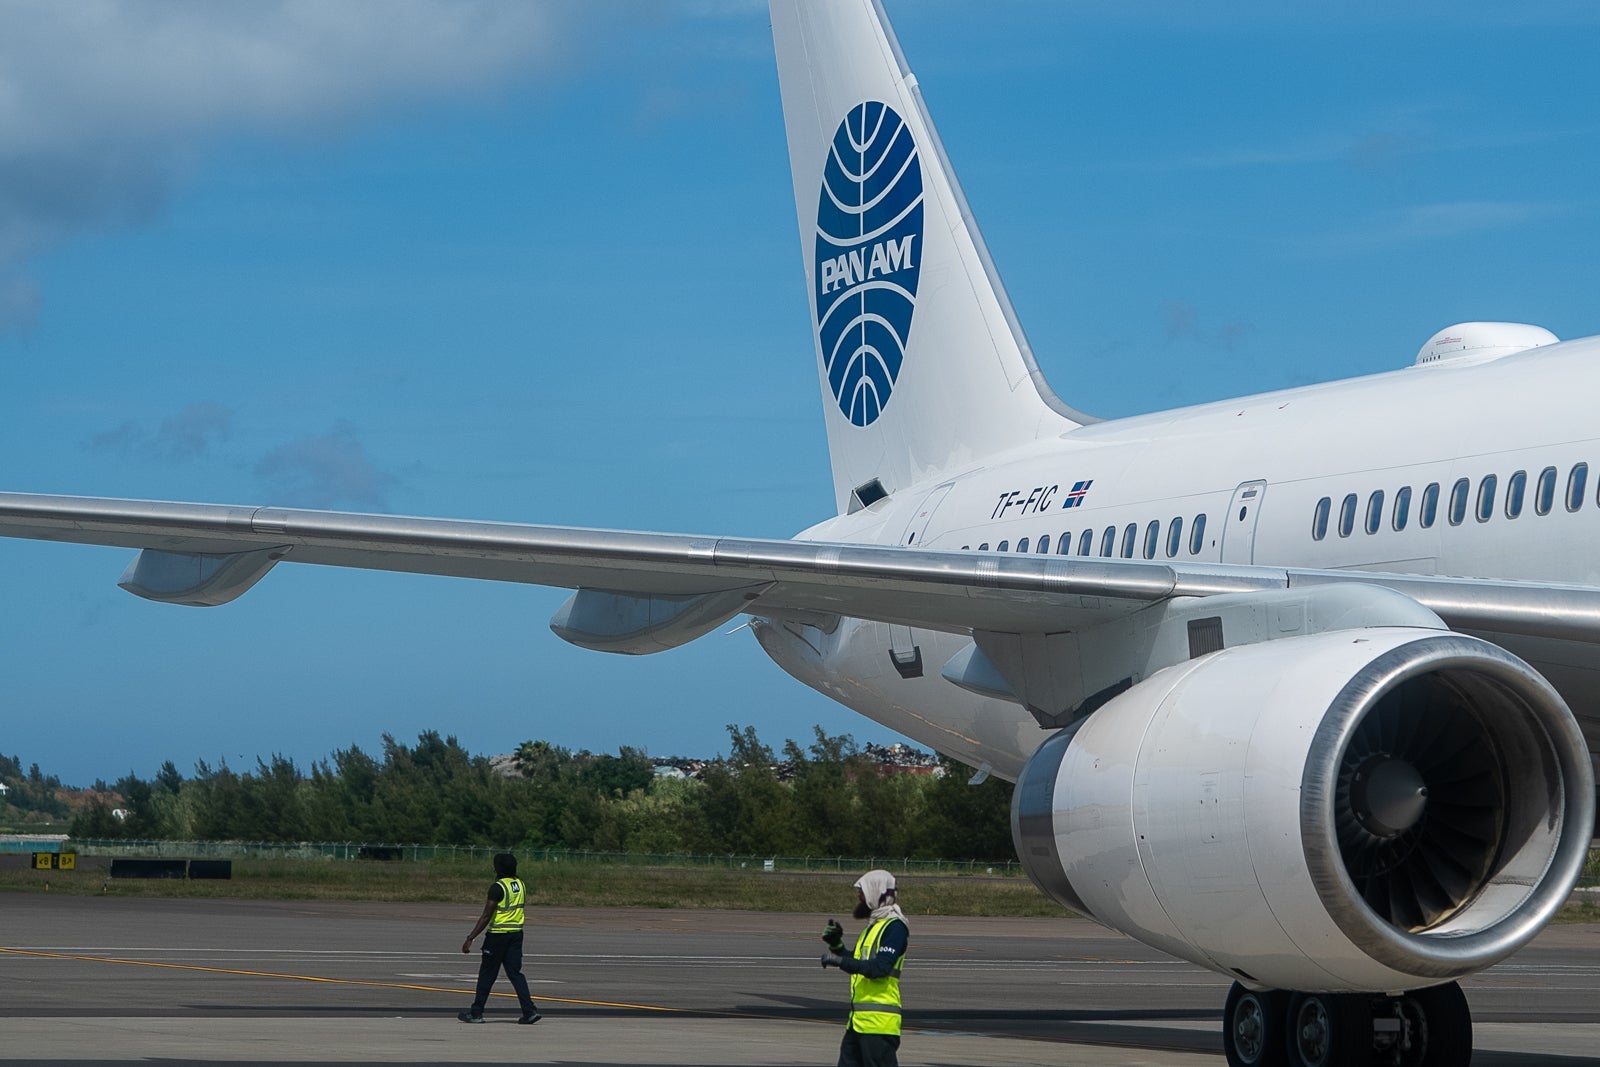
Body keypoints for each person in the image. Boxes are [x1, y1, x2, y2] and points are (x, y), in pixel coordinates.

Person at [819, 869, 909, 1067]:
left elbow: (880, 968)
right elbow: (860, 961)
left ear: (876, 892)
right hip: (858, 1024)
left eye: (863, 891)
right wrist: (838, 947)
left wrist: (840, 962)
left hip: (879, 1026)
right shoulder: (873, 926)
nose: (859, 896)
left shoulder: (895, 928)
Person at [458, 852, 541, 1024]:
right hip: (516, 935)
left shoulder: (498, 887)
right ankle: (529, 1011)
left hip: (497, 937)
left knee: (487, 974)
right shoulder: (520, 884)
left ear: (498, 868)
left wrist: (470, 937)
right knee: (515, 974)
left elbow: (486, 915)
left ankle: (476, 1012)